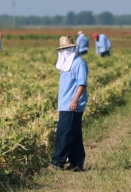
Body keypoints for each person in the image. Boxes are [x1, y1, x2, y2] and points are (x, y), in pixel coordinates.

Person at [49, 36, 88, 172]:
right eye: (63, 49)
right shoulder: (65, 64)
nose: (65, 51)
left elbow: (81, 83)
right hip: (65, 103)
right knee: (74, 133)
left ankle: (57, 162)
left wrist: (75, 99)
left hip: (72, 104)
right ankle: (77, 163)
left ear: (72, 48)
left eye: (67, 48)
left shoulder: (78, 63)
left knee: (63, 133)